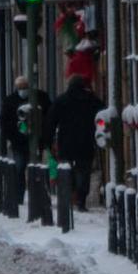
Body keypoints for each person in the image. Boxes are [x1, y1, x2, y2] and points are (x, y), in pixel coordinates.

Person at [44, 75, 105, 210]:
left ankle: (70, 196)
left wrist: (49, 142)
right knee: (83, 172)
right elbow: (102, 116)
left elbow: (51, 122)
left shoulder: (61, 100)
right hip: (86, 142)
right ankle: (81, 200)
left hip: (66, 143)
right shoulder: (91, 100)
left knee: (67, 171)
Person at [0, 76, 51, 192]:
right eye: (20, 87)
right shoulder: (10, 101)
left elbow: (49, 117)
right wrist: (12, 137)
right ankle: (19, 195)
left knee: (38, 169)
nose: (22, 90)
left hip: (37, 141)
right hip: (18, 142)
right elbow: (4, 122)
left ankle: (39, 193)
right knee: (19, 168)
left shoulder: (41, 97)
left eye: (24, 87)